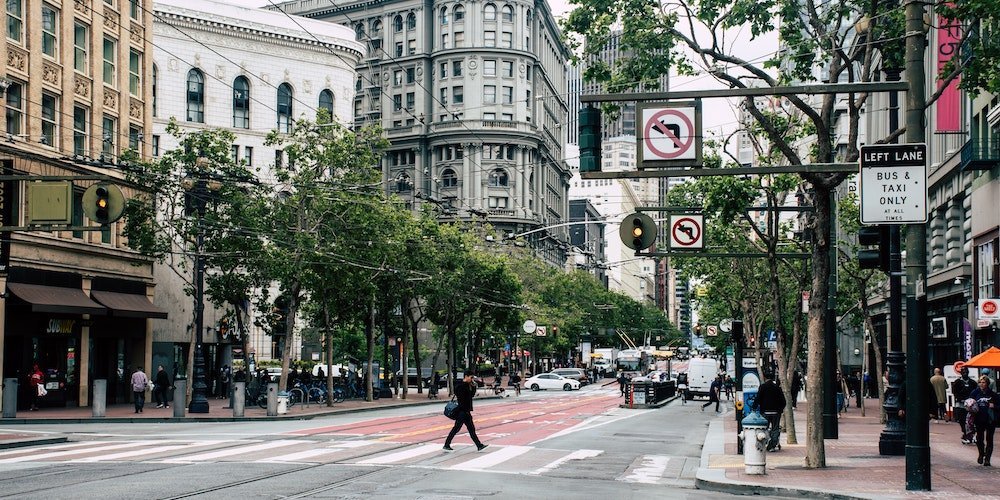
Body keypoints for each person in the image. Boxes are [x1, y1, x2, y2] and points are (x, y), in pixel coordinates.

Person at [443, 373, 488, 452]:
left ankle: (479, 445)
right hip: (462, 412)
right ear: (466, 376)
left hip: (465, 411)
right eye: (471, 377)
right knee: (458, 429)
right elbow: (463, 399)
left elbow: (471, 396)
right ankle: (446, 445)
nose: (472, 379)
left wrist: (473, 387)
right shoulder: (460, 386)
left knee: (469, 429)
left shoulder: (467, 385)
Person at [755, 371, 787, 451]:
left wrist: (754, 407)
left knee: (764, 428)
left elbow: (758, 398)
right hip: (776, 412)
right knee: (775, 429)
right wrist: (780, 410)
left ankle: (765, 442)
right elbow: (783, 401)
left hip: (765, 411)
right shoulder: (777, 388)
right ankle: (772, 445)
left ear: (765, 377)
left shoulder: (763, 387)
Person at [971, 375, 999, 466]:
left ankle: (987, 458)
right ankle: (981, 454)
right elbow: (969, 402)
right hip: (979, 419)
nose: (981, 384)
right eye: (980, 382)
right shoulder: (975, 393)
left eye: (983, 382)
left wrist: (994, 406)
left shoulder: (993, 394)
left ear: (987, 383)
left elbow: (999, 405)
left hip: (990, 420)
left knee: (989, 439)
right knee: (979, 439)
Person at [953, 367, 977, 444]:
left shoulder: (972, 382)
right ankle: (965, 432)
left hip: (970, 405)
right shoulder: (957, 382)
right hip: (961, 404)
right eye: (963, 372)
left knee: (971, 420)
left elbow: (975, 392)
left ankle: (970, 434)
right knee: (961, 420)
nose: (965, 374)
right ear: (961, 373)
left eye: (966, 372)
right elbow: (955, 392)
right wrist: (960, 398)